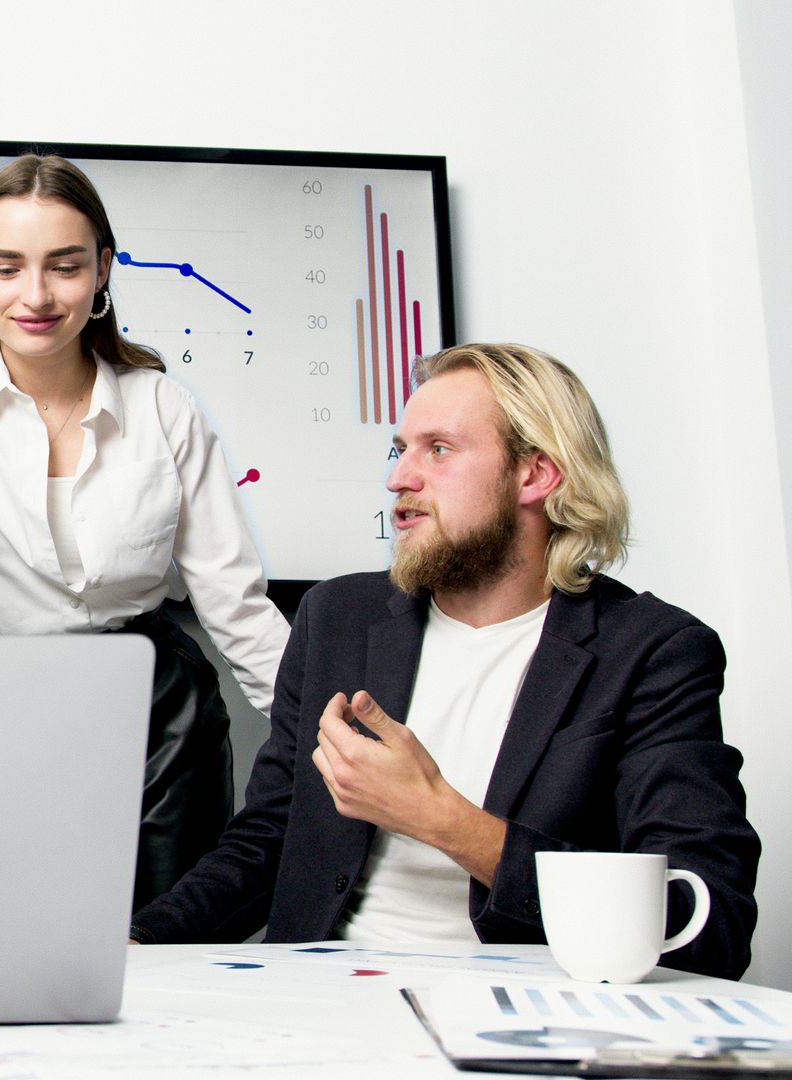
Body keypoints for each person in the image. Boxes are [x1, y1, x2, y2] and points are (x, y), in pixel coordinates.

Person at [129, 343, 759, 980]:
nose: (399, 478)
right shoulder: (337, 618)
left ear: (535, 475)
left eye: (439, 449)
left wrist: (440, 818)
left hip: (524, 1011)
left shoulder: (653, 652)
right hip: (323, 1001)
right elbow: (268, 839)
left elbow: (706, 926)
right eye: (401, 450)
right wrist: (140, 942)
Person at [0, 155, 288, 906]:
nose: (35, 296)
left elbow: (235, 606)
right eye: (7, 268)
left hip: (154, 722)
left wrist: (339, 740)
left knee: (168, 955)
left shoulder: (164, 406)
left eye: (64, 267)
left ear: (103, 270)